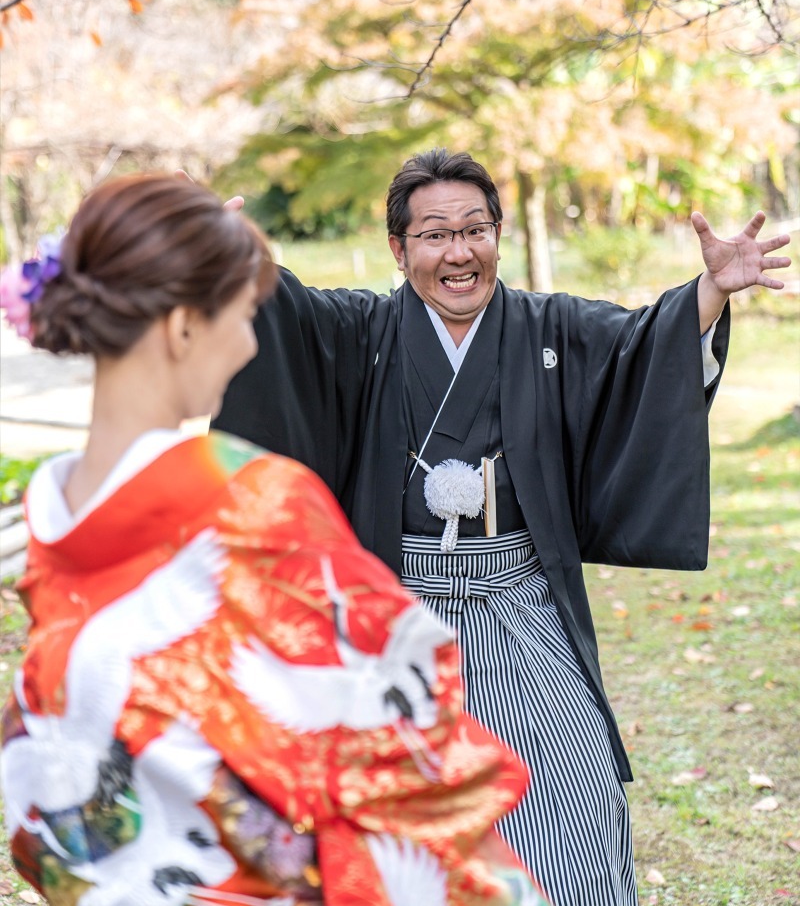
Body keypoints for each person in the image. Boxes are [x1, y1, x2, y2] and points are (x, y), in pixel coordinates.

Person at [213, 148, 792, 906]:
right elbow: (283, 319)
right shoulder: (360, 332)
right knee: (399, 831)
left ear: (497, 234)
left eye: (475, 229)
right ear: (399, 248)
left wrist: (709, 292)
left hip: (519, 605)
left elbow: (640, 347)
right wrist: (225, 258)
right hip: (397, 614)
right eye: (434, 234)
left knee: (573, 801)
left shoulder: (551, 328)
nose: (459, 252)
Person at [0, 174, 551, 906]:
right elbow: (401, 744)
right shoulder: (253, 502)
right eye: (240, 314)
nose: (250, 342)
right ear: (183, 325)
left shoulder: (56, 514)